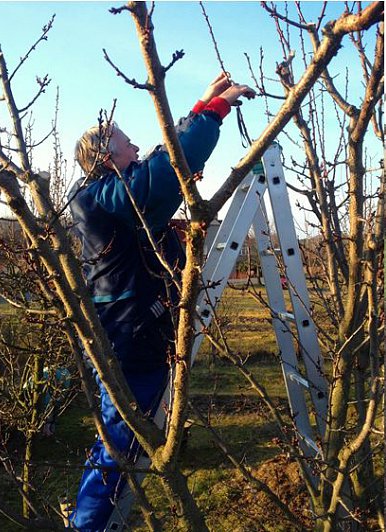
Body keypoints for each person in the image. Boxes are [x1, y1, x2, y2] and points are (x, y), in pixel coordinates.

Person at [66, 72, 250, 530]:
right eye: (127, 145)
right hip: (129, 341)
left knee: (120, 437)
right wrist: (212, 114)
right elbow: (157, 177)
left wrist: (196, 108)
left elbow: (160, 165)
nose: (136, 149)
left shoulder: (111, 197)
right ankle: (86, 527)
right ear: (107, 158)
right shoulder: (102, 196)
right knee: (118, 441)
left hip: (136, 333)